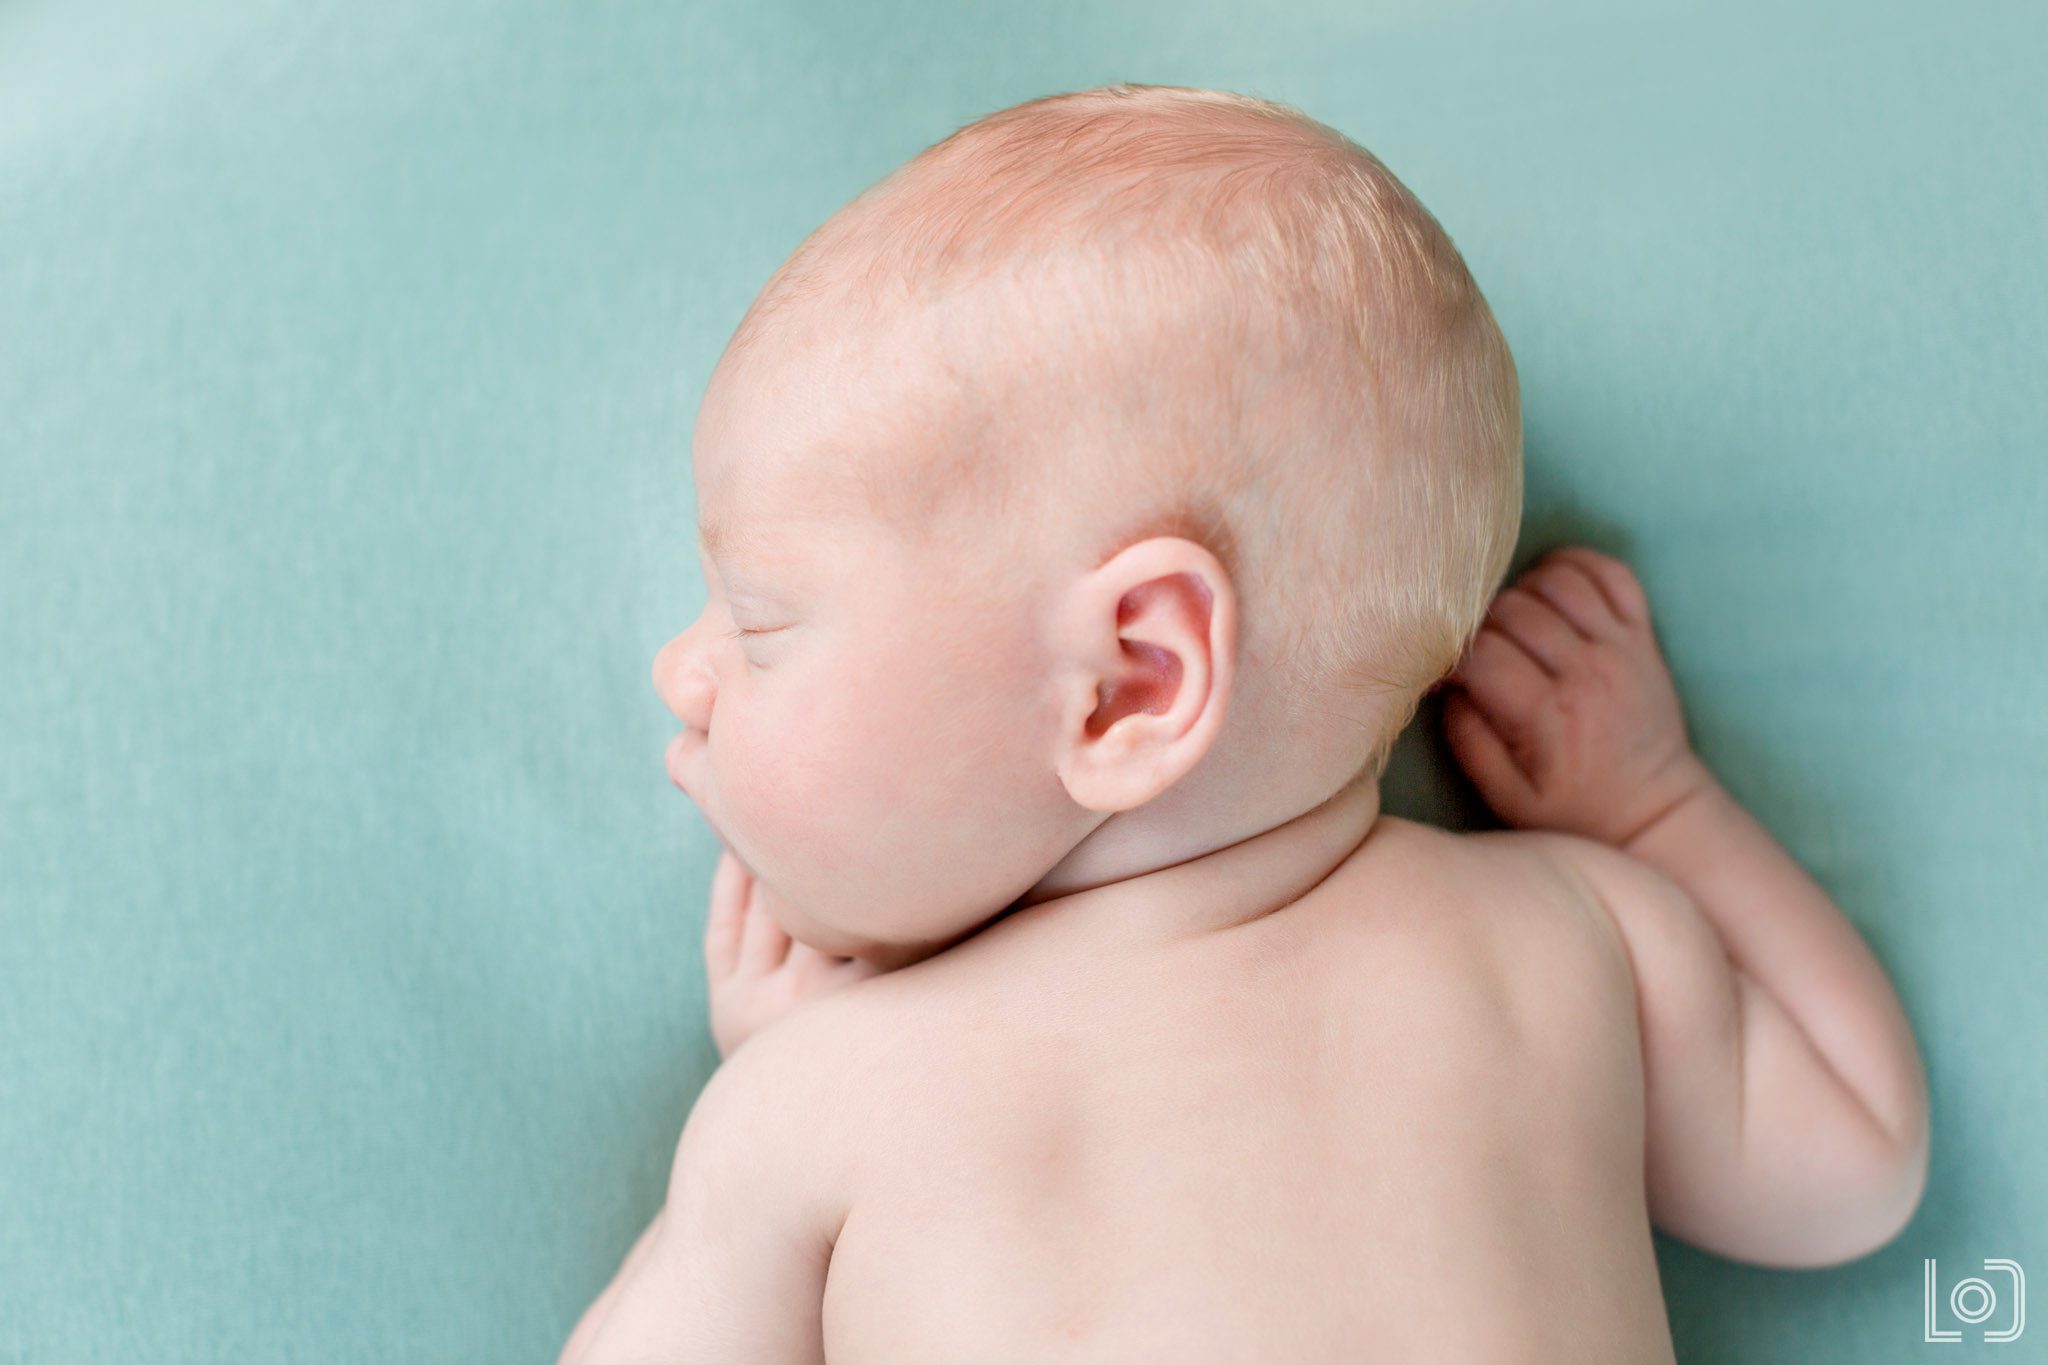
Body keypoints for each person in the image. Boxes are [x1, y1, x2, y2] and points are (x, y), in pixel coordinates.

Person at [563, 83, 1929, 1363]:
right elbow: (1857, 1165)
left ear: (1133, 682)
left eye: (757, 625)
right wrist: (1654, 807)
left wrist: (775, 1088)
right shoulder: (1569, 934)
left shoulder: (822, 1106)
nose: (683, 673)